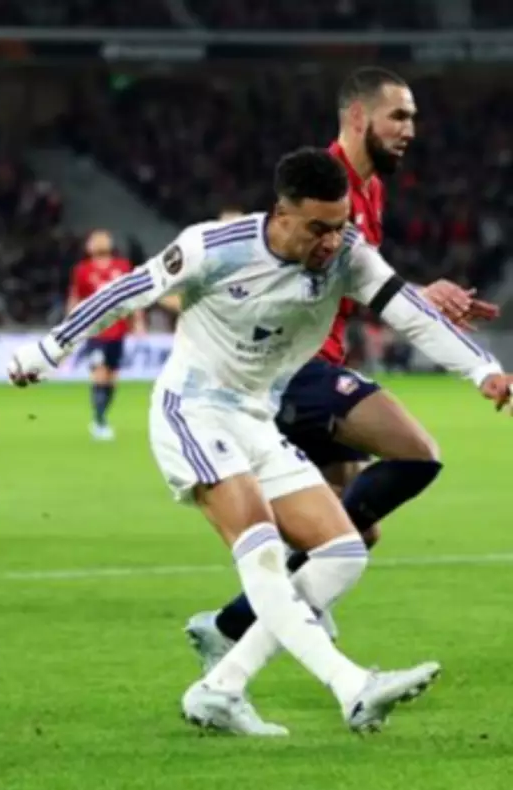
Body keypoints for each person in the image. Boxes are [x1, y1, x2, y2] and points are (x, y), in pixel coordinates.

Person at [8, 147, 512, 735]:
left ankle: (221, 687)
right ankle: (353, 687)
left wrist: (485, 371)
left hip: (254, 418)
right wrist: (46, 351)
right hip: (191, 411)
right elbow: (127, 293)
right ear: (282, 213)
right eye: (318, 228)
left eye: (341, 224)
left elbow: (410, 312)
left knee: (343, 553)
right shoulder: (214, 248)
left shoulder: (348, 255)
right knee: (264, 550)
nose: (331, 241)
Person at [186, 66, 500, 663]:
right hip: (297, 367)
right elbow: (297, 278)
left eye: (413, 116)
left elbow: (359, 280)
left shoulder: (371, 187)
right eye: (399, 116)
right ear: (358, 118)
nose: (411, 128)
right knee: (416, 453)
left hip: (318, 360)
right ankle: (238, 621)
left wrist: (412, 295)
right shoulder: (324, 188)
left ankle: (235, 632)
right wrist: (417, 298)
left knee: (358, 530)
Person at [67, 229, 146, 441]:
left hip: (118, 331)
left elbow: (132, 296)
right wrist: (71, 325)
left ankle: (101, 417)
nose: (100, 242)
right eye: (95, 239)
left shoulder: (122, 267)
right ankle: (99, 422)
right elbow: (76, 298)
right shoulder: (82, 270)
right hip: (95, 331)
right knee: (100, 374)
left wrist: (137, 322)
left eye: (103, 238)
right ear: (89, 246)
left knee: (112, 378)